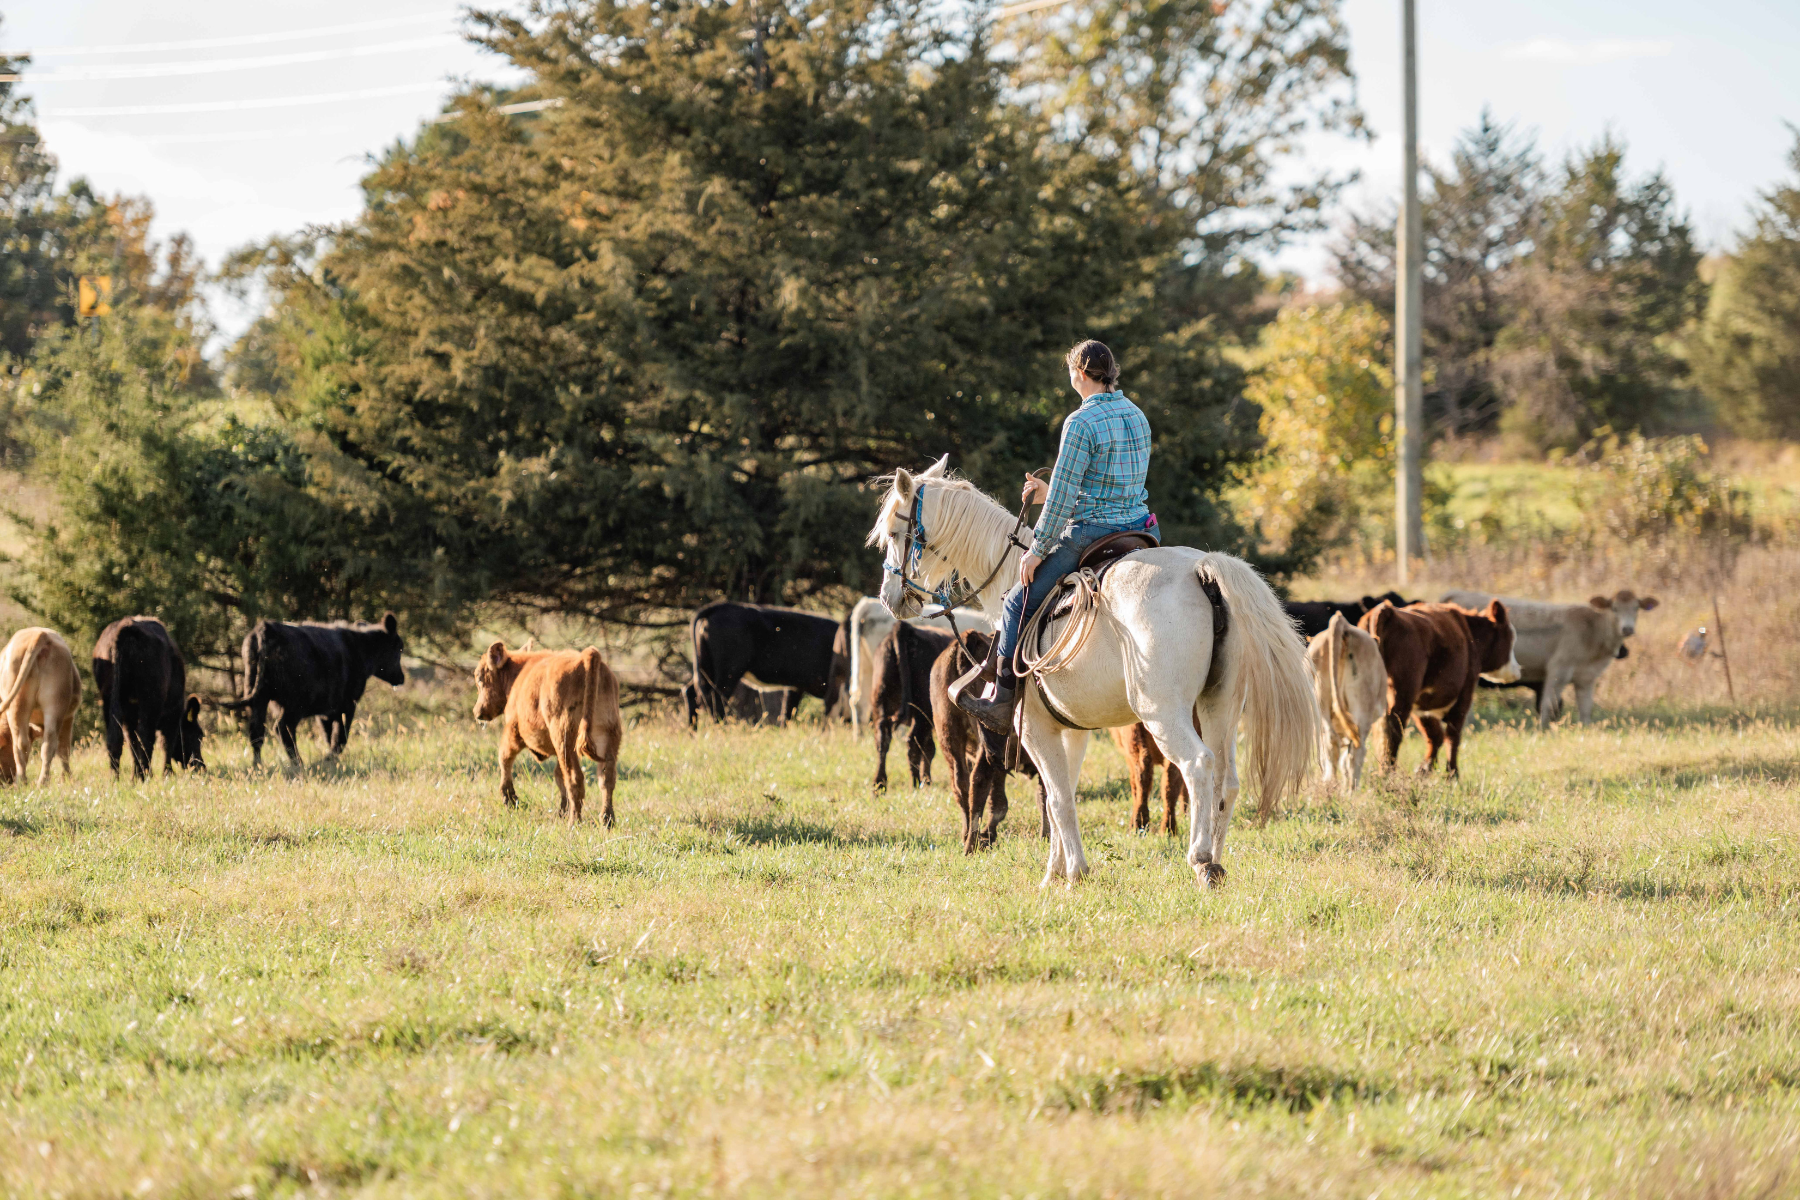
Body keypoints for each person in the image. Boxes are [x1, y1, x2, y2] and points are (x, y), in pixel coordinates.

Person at [953, 339, 1156, 733]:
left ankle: (1000, 700)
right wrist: (1050, 493)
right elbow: (1114, 484)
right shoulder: (1137, 414)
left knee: (1015, 602)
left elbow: (1063, 500)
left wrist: (1036, 551)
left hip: (1092, 532)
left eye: (1070, 371)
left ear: (1079, 373)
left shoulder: (1080, 422)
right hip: (1138, 527)